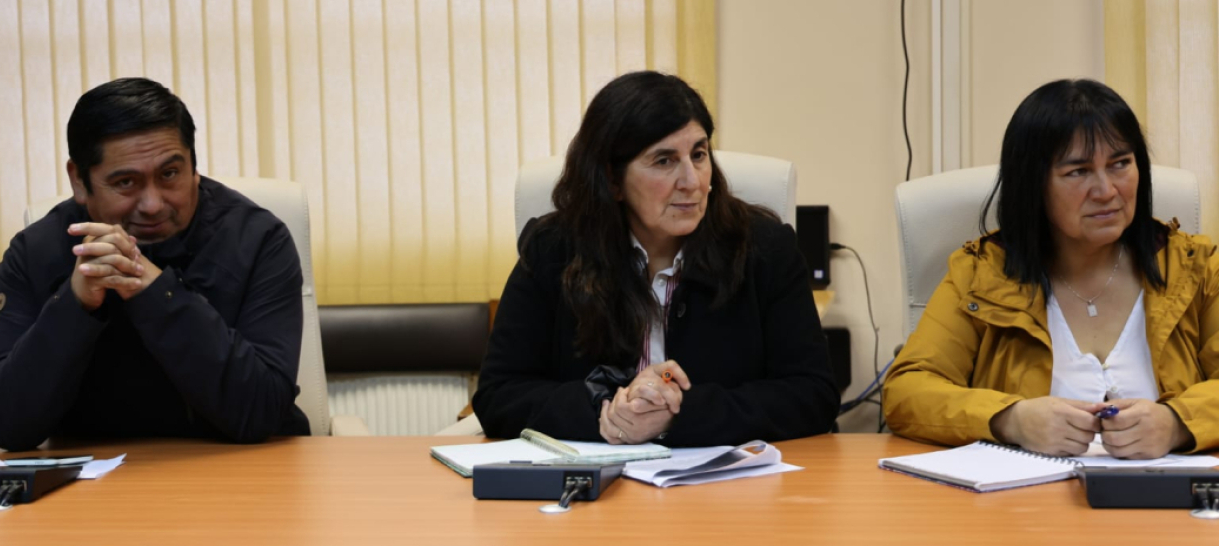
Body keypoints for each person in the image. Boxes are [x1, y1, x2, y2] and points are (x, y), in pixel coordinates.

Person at [472, 71, 839, 447]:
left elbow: (813, 394)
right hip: (595, 477)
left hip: (725, 479)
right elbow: (499, 394)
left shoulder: (764, 249)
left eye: (699, 155)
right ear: (612, 180)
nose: (692, 181)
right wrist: (606, 408)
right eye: (664, 161)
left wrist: (677, 414)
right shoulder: (553, 251)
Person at [884, 79, 1219, 458]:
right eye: (1078, 171)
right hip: (1023, 493)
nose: (1107, 190)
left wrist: (1177, 423)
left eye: (1120, 164)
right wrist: (1010, 419)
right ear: (1033, 184)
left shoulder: (1196, 267)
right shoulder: (981, 274)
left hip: (1168, 493)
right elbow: (907, 389)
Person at [0, 78, 310, 450]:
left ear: (194, 167)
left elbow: (261, 411)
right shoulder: (36, 252)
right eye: (126, 182)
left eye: (169, 174)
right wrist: (74, 303)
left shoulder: (257, 239)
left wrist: (156, 293)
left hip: (243, 465)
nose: (152, 204)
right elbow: (5, 425)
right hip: (98, 474)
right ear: (79, 181)